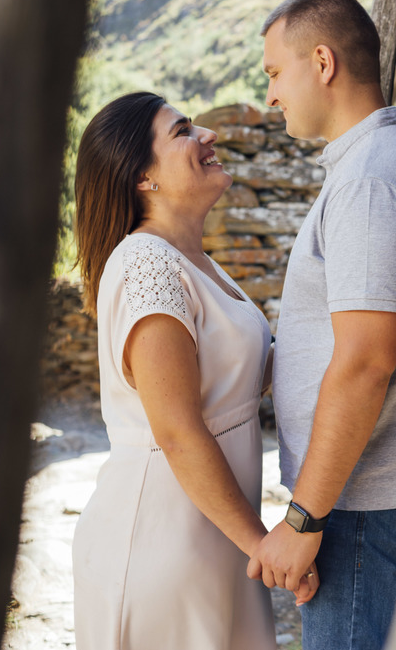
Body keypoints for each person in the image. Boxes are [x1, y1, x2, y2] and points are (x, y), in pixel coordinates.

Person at [247, 0, 396, 650]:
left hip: (364, 509)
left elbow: (367, 361)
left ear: (322, 61)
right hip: (364, 501)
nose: (273, 95)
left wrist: (305, 516)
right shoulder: (370, 167)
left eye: (275, 73)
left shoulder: (371, 182)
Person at [71, 91, 317, 650]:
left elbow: (254, 373)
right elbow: (178, 432)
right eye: (183, 131)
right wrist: (265, 547)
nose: (207, 135)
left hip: (215, 538)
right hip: (159, 545)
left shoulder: (191, 258)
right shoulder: (148, 265)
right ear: (143, 177)